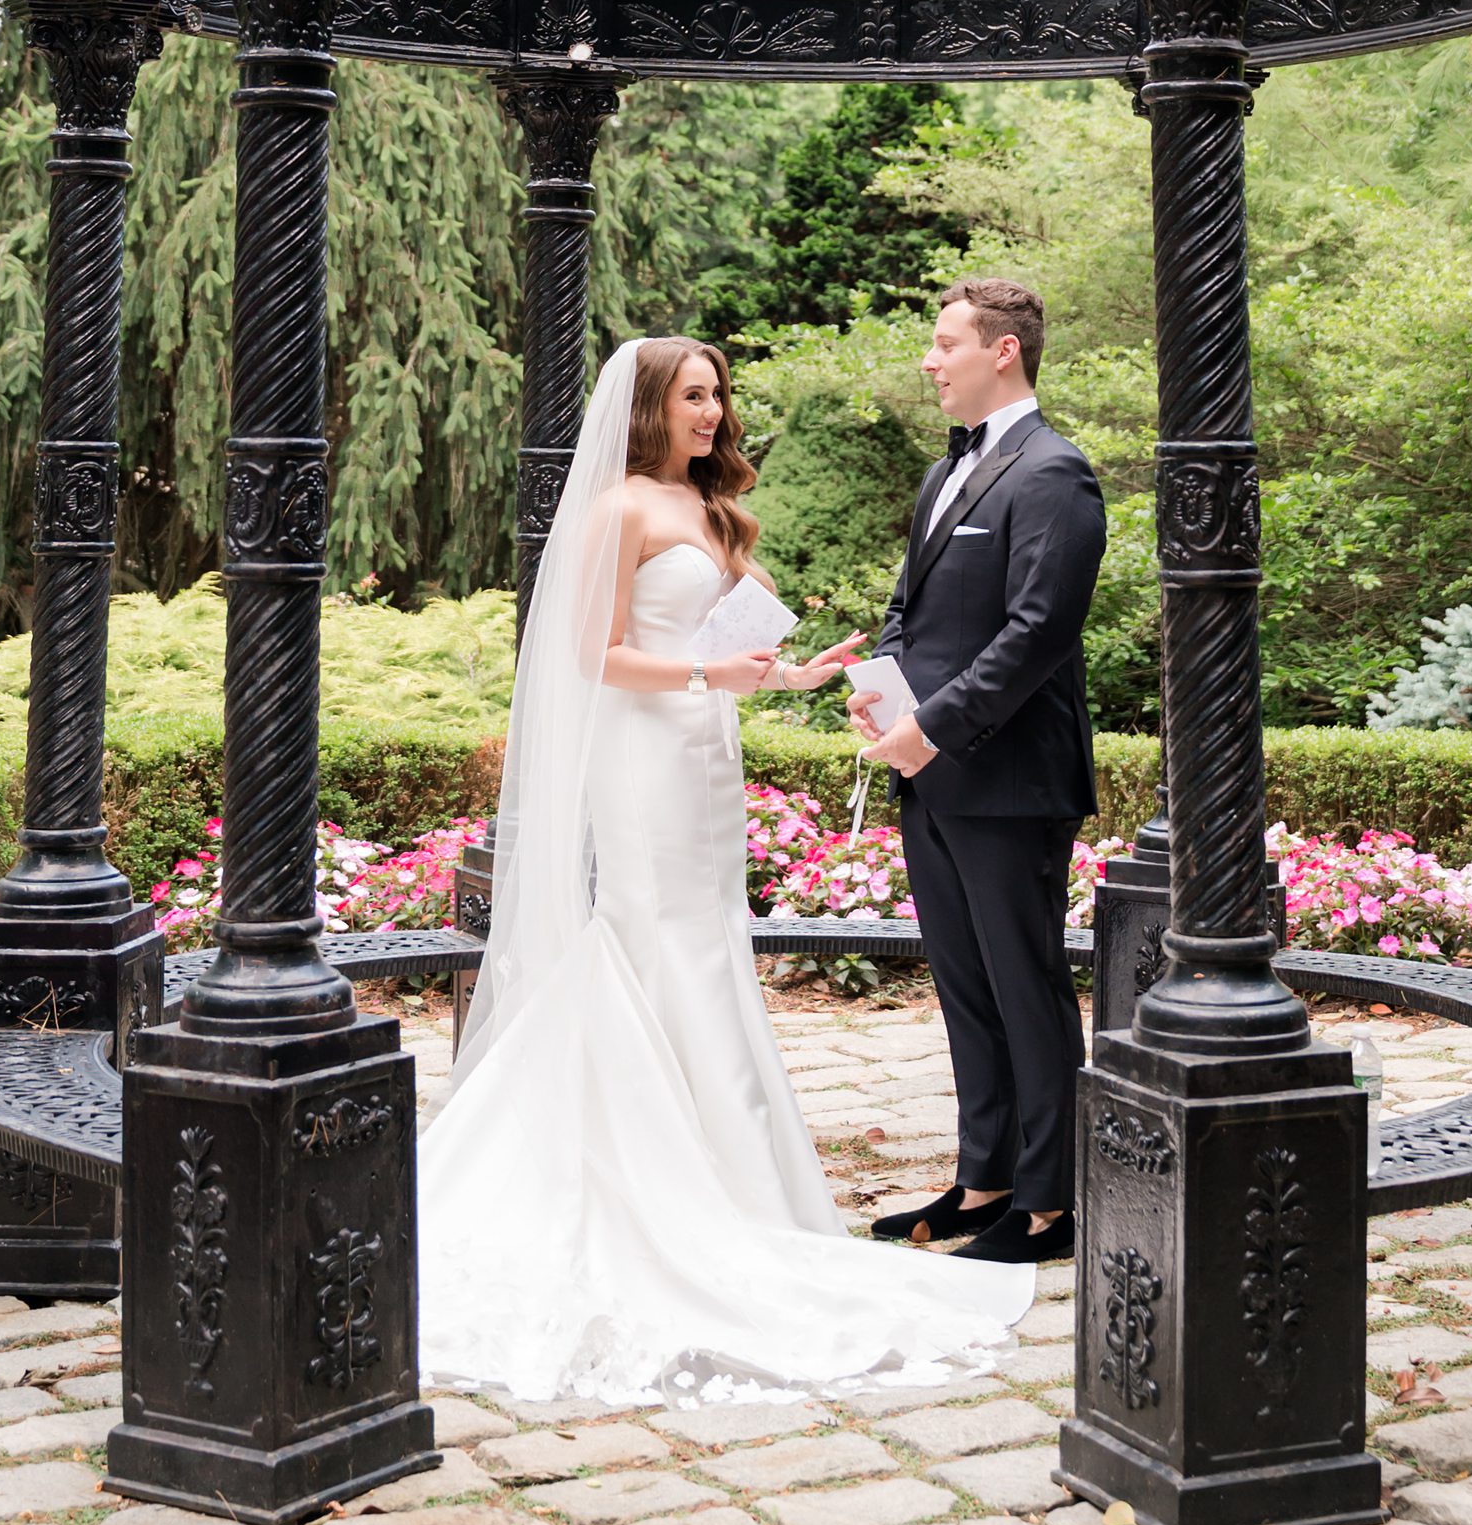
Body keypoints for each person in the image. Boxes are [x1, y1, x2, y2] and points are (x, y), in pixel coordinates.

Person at [415, 335, 1032, 1401]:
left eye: (718, 395)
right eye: (695, 395)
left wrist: (788, 672)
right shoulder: (619, 511)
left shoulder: (707, 508)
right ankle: (657, 1178)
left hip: (704, 749)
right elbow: (586, 654)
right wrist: (707, 667)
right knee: (655, 936)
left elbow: (719, 646)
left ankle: (728, 1170)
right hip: (643, 752)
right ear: (650, 405)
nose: (714, 411)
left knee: (709, 936)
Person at [849, 279, 1107, 1268]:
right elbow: (911, 609)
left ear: (1002, 352)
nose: (930, 359)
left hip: (1009, 781)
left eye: (945, 342)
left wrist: (938, 727)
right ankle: (986, 1177)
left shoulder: (1055, 474)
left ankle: (1050, 1203)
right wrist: (885, 689)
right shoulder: (942, 474)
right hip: (934, 774)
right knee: (965, 988)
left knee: (1025, 985)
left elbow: (1039, 630)